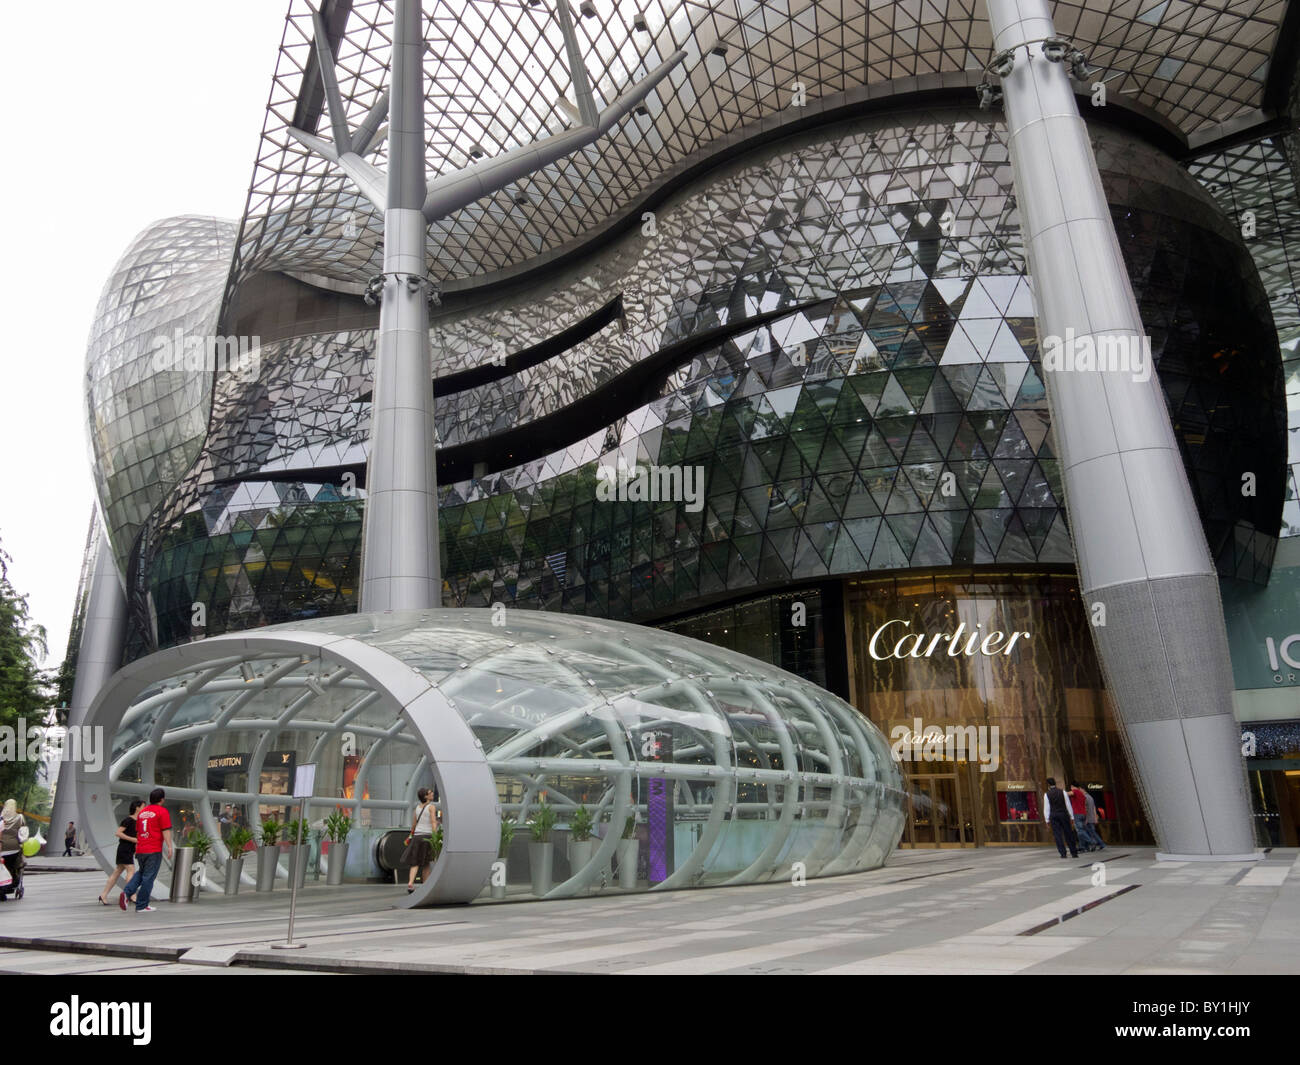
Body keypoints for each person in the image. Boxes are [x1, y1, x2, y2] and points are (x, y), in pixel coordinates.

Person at [120, 788, 173, 912]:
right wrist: (169, 846)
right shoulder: (162, 811)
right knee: (149, 877)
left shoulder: (143, 813)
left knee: (141, 873)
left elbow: (138, 831)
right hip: (153, 849)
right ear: (162, 799)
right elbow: (165, 830)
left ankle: (127, 893)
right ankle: (142, 905)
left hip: (141, 848)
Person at [99, 801, 141, 905]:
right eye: (143, 806)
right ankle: (132, 895)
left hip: (128, 849)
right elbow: (118, 833)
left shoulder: (137, 821)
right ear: (137, 808)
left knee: (117, 872)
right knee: (130, 869)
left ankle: (103, 895)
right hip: (124, 848)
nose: (144, 809)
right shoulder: (128, 820)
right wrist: (133, 839)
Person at [401, 788, 438, 894]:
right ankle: (425, 886)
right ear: (425, 796)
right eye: (430, 793)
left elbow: (414, 824)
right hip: (427, 836)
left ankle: (410, 883)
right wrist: (435, 836)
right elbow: (433, 822)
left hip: (417, 837)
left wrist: (411, 835)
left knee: (415, 862)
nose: (432, 794)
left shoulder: (417, 808)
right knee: (426, 863)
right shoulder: (431, 807)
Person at [1042, 777, 1078, 859]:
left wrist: (1047, 820)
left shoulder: (1046, 794)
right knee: (1068, 833)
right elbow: (1068, 805)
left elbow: (1046, 808)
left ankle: (1063, 853)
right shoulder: (1063, 792)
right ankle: (1074, 852)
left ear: (1048, 785)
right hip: (1063, 814)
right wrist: (1072, 817)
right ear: (1055, 783)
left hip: (1054, 815)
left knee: (1057, 835)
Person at [0, 800, 27, 900]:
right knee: (14, 865)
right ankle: (13, 881)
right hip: (14, 848)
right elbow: (23, 834)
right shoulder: (20, 818)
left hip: (1, 847)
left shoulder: (1, 818)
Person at [1075, 783, 1106, 851]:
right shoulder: (1090, 797)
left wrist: (1086, 819)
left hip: (1088, 818)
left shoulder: (1085, 797)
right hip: (1091, 817)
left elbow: (1086, 809)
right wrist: (1095, 817)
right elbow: (1094, 807)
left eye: (1080, 789)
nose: (1079, 791)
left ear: (1083, 789)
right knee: (1092, 832)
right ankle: (1089, 846)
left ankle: (1099, 844)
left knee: (1091, 833)